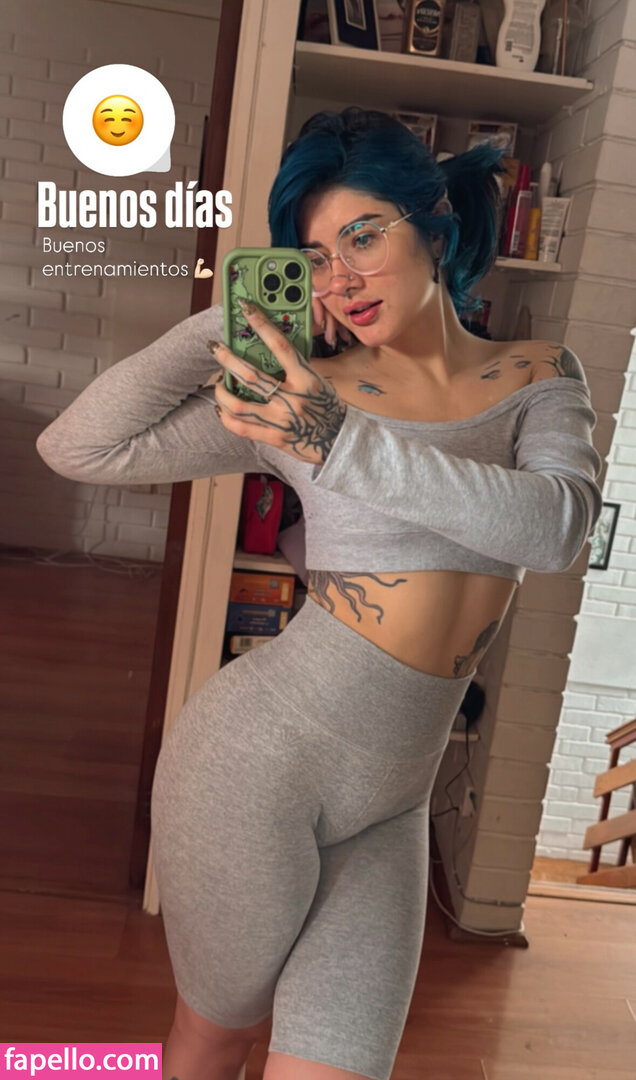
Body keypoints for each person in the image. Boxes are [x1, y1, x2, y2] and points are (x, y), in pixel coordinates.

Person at [36, 107, 603, 1080]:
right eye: (312, 257)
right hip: (256, 767)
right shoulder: (299, 394)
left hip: (394, 803)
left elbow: (555, 528)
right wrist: (229, 324)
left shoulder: (537, 375)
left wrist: (338, 442)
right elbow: (79, 446)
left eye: (363, 238)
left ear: (433, 223)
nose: (340, 277)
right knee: (214, 1040)